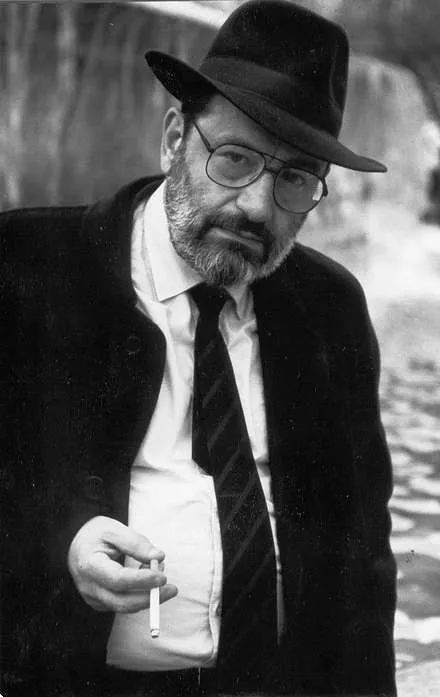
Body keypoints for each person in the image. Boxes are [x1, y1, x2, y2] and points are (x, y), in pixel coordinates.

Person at [0, 1, 397, 695]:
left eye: (294, 179)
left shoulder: (330, 307)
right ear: (174, 138)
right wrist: (59, 540)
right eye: (235, 159)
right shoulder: (25, 265)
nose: (257, 208)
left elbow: (362, 559)